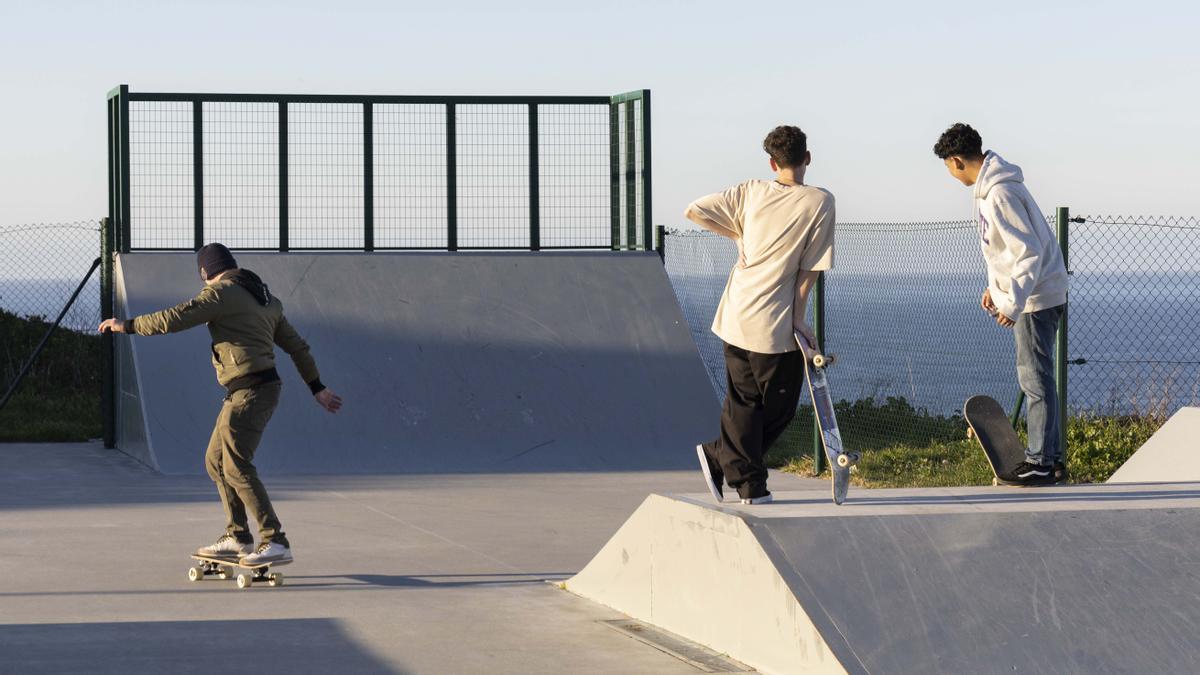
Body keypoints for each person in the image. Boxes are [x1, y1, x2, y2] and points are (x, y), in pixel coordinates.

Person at [99, 243, 343, 563]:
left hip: (250, 392)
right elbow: (298, 347)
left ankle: (275, 539)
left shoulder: (219, 294)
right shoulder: (266, 300)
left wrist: (127, 325)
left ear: (206, 273)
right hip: (260, 388)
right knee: (215, 461)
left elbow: (176, 318)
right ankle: (238, 537)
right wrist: (317, 387)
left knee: (235, 465)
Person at [684, 125, 836, 504]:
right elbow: (810, 269)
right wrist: (799, 318)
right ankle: (748, 482)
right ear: (808, 158)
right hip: (773, 324)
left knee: (745, 404)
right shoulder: (819, 201)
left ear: (772, 162)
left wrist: (735, 235)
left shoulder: (750, 191)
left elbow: (694, 211)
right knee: (778, 409)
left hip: (735, 313)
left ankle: (724, 457)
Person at [933, 123, 1069, 485]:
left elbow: (1029, 253)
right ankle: (1050, 459)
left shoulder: (999, 194)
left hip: (1036, 298)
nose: (948, 173)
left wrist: (1012, 305)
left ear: (957, 161)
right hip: (1036, 294)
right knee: (1038, 377)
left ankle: (1040, 460)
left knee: (1033, 379)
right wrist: (995, 288)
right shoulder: (991, 189)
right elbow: (1003, 252)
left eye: (947, 165)